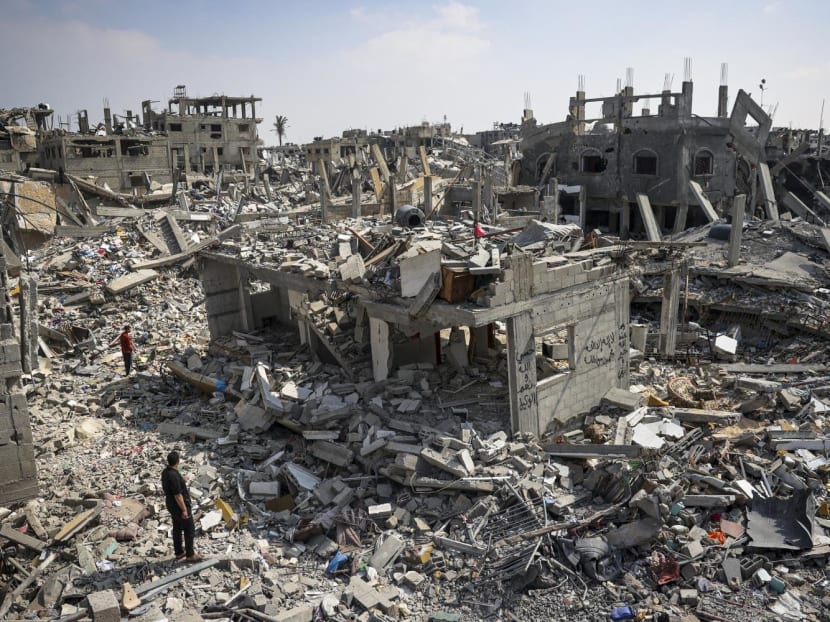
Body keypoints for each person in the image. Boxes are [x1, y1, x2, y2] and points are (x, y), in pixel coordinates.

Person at [161, 451, 201, 562]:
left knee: (177, 528)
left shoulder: (166, 472)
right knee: (189, 529)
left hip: (170, 504)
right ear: (178, 461)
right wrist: (184, 510)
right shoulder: (173, 475)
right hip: (178, 506)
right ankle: (190, 555)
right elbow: (178, 495)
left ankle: (179, 552)